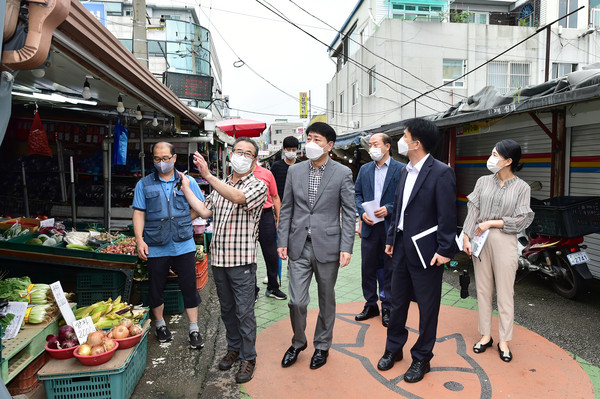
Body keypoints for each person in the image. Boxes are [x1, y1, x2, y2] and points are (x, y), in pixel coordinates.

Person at [376, 118, 458, 383]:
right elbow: (399, 208)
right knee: (396, 301)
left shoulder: (441, 172)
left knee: (427, 306)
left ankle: (422, 357)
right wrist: (390, 238)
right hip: (399, 246)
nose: (402, 140)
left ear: (416, 143)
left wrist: (445, 249)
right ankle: (394, 349)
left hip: (427, 251)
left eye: (405, 136)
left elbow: (448, 215)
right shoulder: (404, 170)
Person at [180, 137, 267, 384]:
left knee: (245, 312)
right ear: (231, 154)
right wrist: (186, 187)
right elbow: (205, 211)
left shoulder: (256, 186)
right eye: (238, 151)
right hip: (219, 259)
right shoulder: (222, 184)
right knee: (227, 310)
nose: (241, 156)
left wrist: (208, 175)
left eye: (247, 153)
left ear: (254, 160)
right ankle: (234, 348)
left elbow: (238, 198)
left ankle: (249, 357)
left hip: (242, 261)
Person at [277, 122, 356, 370]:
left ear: (329, 145)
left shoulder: (342, 173)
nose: (311, 143)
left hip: (328, 244)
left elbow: (350, 211)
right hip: (298, 244)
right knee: (296, 301)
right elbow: (287, 208)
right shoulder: (295, 171)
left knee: (326, 299)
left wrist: (347, 246)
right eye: (309, 138)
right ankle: (299, 341)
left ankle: (322, 345)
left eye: (317, 139)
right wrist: (282, 241)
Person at [462, 139, 534, 363]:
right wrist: (466, 235)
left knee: (505, 292)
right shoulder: (483, 181)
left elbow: (522, 220)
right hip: (480, 240)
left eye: (495, 154)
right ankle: (486, 335)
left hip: (505, 241)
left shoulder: (522, 188)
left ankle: (504, 340)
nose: (491, 157)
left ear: (508, 161)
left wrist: (492, 223)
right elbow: (473, 209)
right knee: (483, 290)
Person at [132, 142, 204, 349]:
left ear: (174, 158)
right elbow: (139, 213)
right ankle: (161, 325)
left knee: (189, 287)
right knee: (156, 287)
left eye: (165, 158)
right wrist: (140, 240)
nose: (161, 162)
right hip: (156, 245)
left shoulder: (187, 181)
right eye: (157, 159)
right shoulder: (144, 185)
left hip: (184, 245)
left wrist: (183, 219)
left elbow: (201, 207)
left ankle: (194, 328)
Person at [354, 133, 404, 327]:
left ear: (387, 147)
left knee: (390, 268)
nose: (372, 148)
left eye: (375, 144)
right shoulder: (365, 169)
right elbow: (357, 193)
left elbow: (404, 197)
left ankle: (388, 306)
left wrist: (389, 209)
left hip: (390, 227)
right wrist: (361, 212)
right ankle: (370, 304)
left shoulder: (400, 170)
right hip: (369, 226)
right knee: (367, 268)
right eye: (370, 145)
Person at [252, 163, 287, 300]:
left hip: (266, 216)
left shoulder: (266, 173)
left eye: (248, 153)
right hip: (245, 216)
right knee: (249, 255)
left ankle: (273, 287)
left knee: (271, 254)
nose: (244, 157)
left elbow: (275, 196)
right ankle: (252, 290)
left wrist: (278, 218)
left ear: (255, 156)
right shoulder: (236, 175)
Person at [271, 135, 299, 200]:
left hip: (297, 201)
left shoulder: (301, 165)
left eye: (294, 150)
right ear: (284, 149)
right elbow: (271, 185)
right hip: (280, 201)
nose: (291, 152)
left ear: (297, 150)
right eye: (288, 149)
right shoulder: (276, 166)